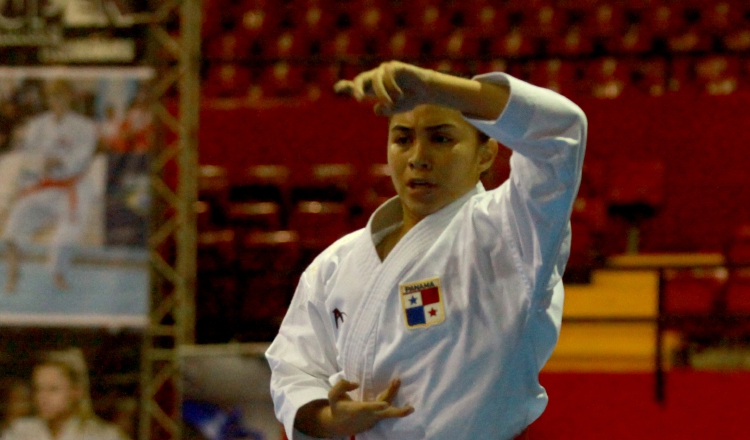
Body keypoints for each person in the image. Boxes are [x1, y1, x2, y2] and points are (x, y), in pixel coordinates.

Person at [265, 60, 587, 440]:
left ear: (485, 155)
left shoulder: (509, 234)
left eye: (441, 138)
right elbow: (294, 368)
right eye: (403, 138)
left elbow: (560, 133)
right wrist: (328, 420)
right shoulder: (336, 263)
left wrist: (435, 86)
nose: (417, 156)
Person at [1, 79, 98, 292]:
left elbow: (83, 157)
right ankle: (13, 273)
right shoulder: (38, 125)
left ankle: (58, 273)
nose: (58, 101)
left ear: (70, 98)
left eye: (62, 96)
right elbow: (29, 156)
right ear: (48, 100)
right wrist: (38, 167)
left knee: (65, 237)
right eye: (54, 97)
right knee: (14, 225)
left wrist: (59, 161)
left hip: (73, 187)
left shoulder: (85, 127)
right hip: (45, 185)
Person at [1, 348, 129, 440]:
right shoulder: (21, 432)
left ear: (76, 391)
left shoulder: (103, 436)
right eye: (38, 389)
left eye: (53, 389)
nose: (42, 398)